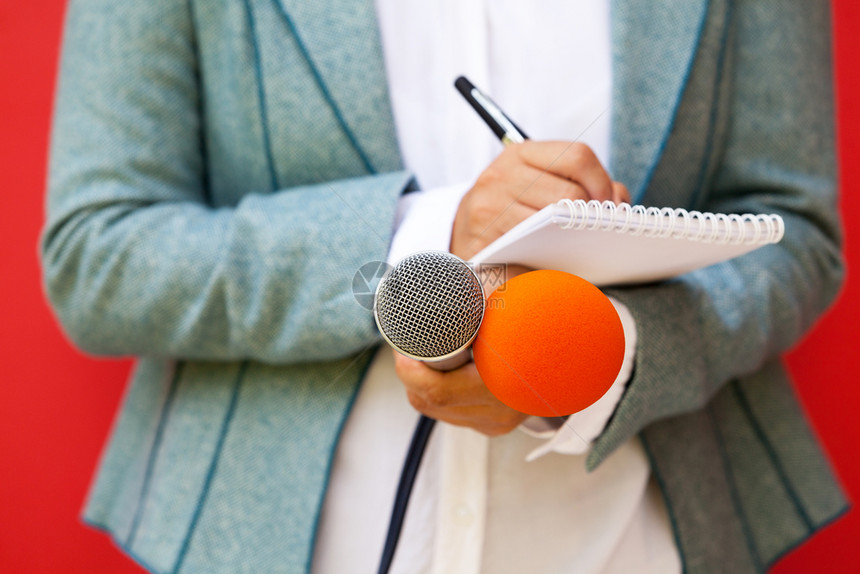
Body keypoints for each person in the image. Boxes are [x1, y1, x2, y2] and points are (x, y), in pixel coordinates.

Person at [41, 0, 846, 572]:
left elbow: (792, 232)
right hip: (281, 540)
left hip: (633, 539)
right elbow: (97, 255)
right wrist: (432, 238)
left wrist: (596, 357)